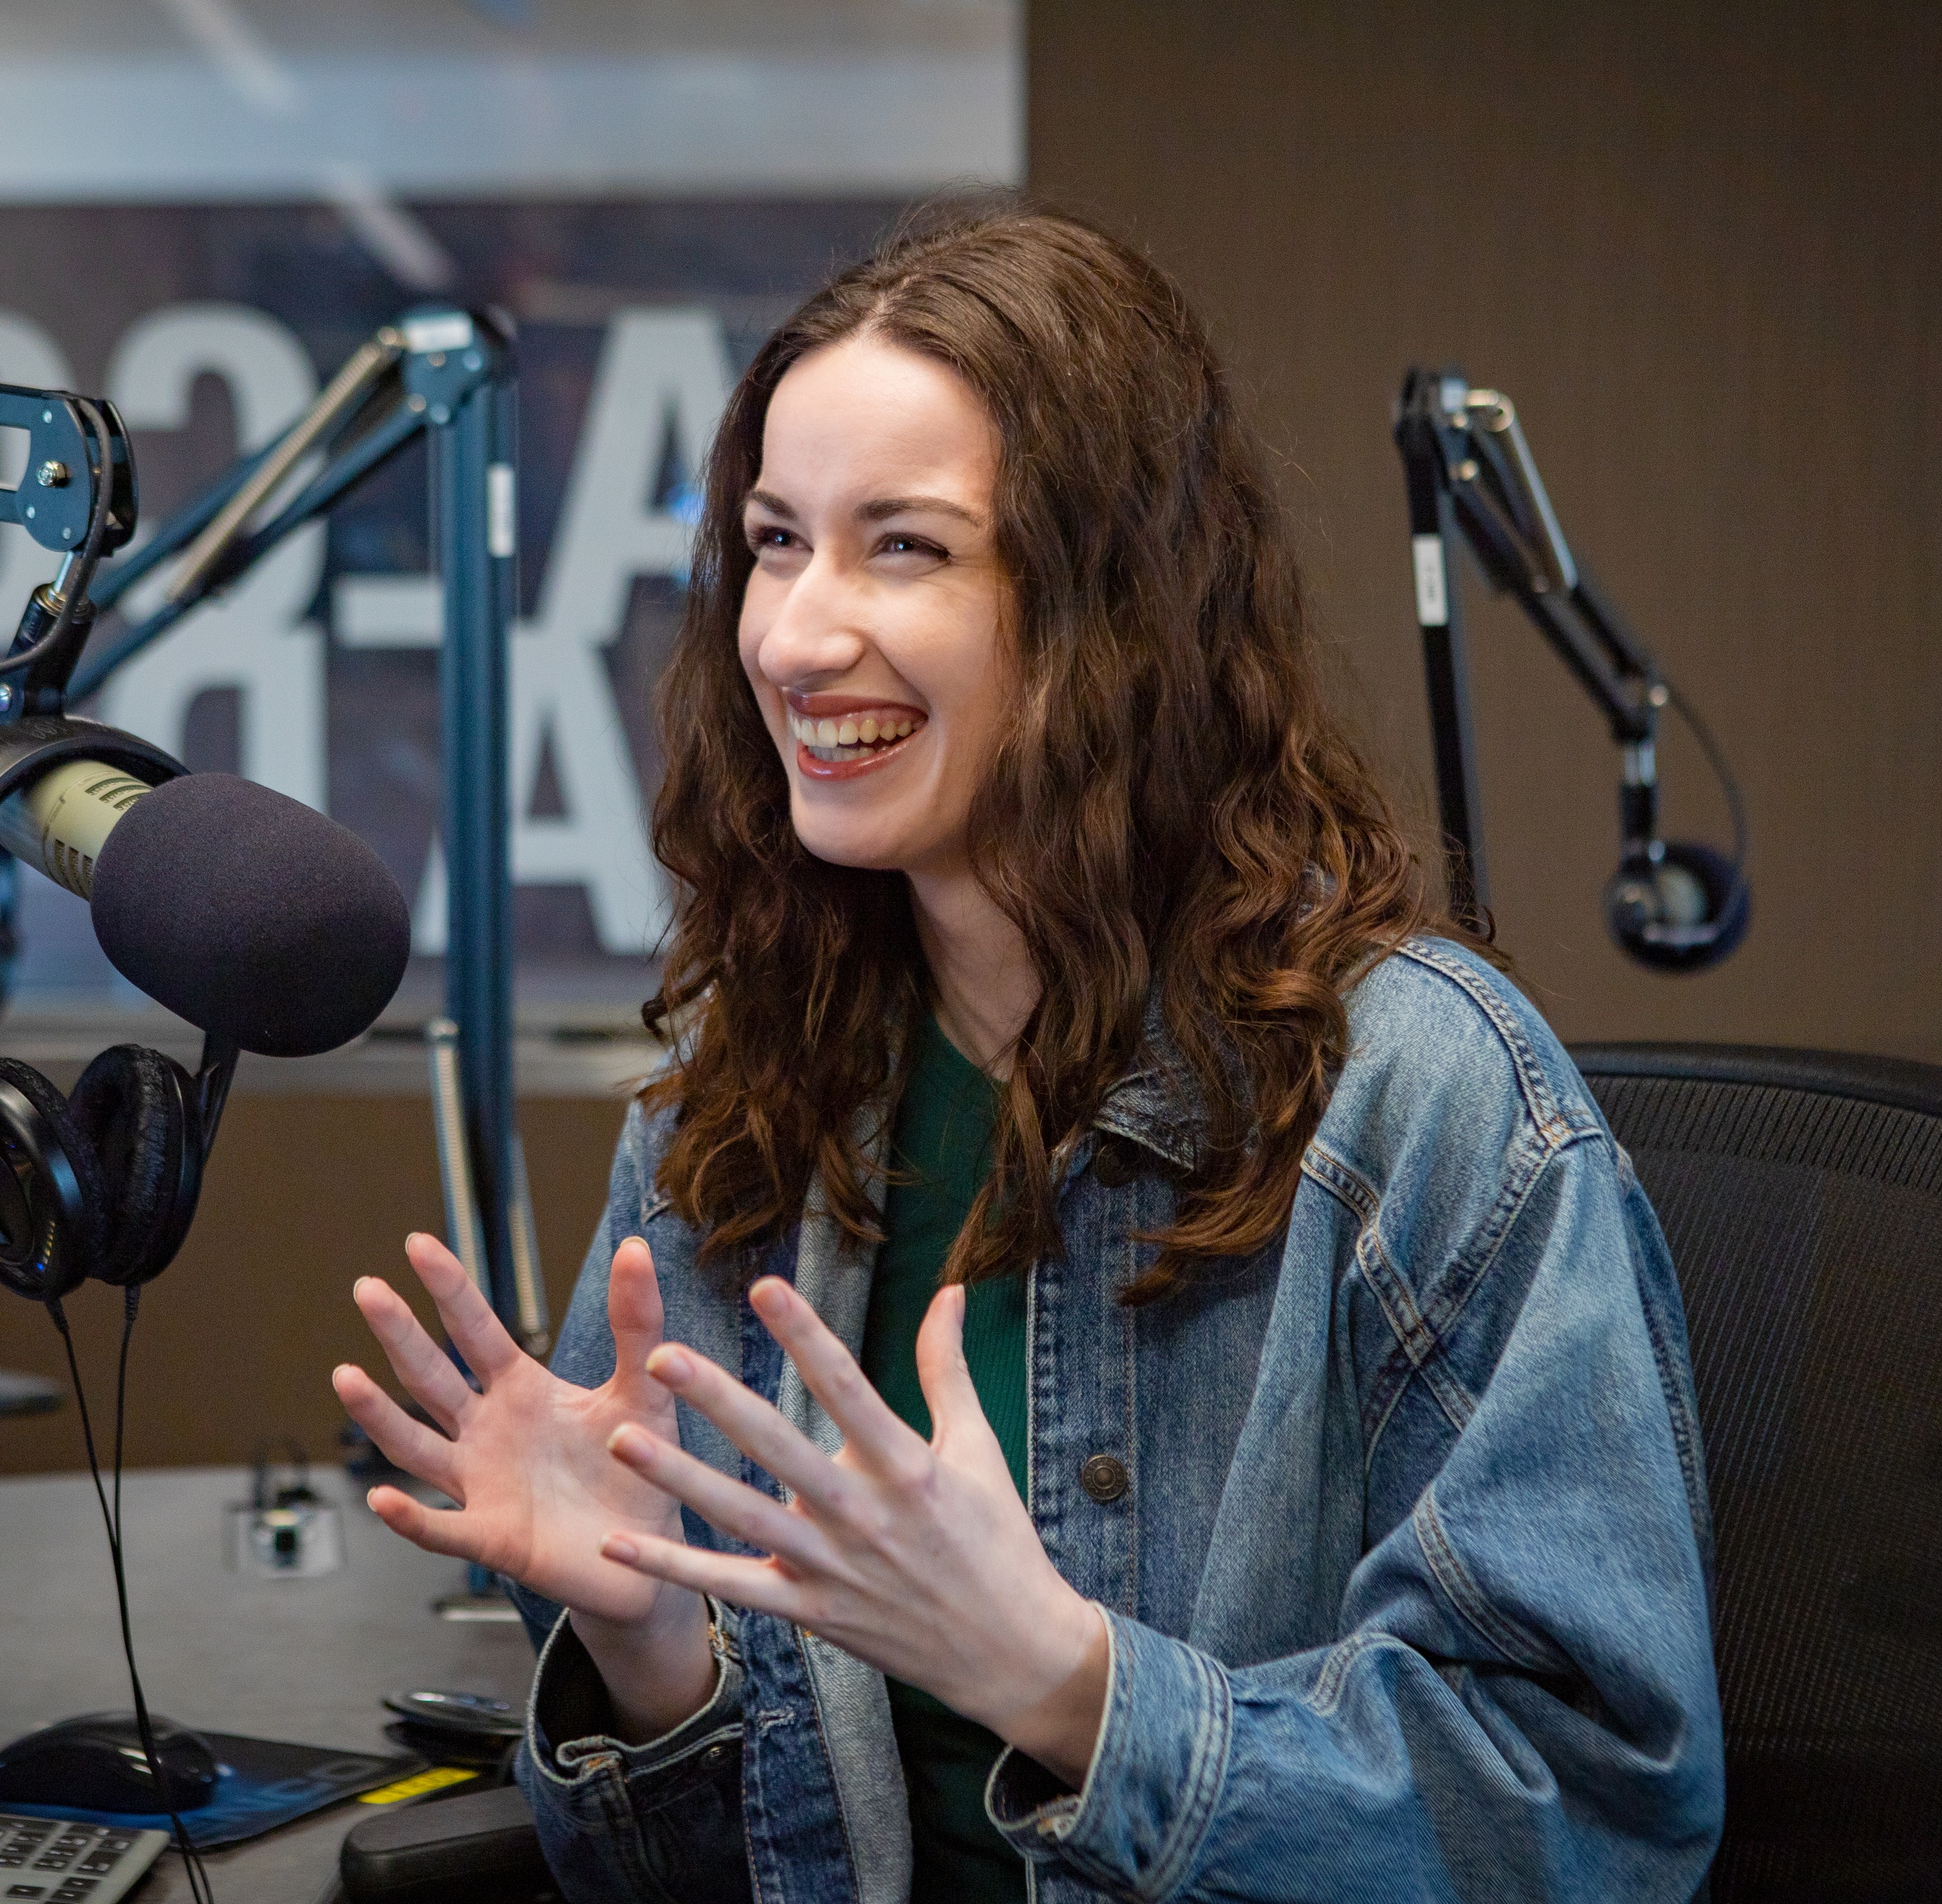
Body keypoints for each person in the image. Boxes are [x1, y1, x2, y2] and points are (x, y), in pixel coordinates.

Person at [333, 202, 1723, 1904]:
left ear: (1114, 607)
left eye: (901, 547)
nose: (793, 634)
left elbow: (1586, 1819)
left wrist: (1067, 1683)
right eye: (776, 542)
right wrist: (647, 1644)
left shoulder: (1427, 1099)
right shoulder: (749, 1080)